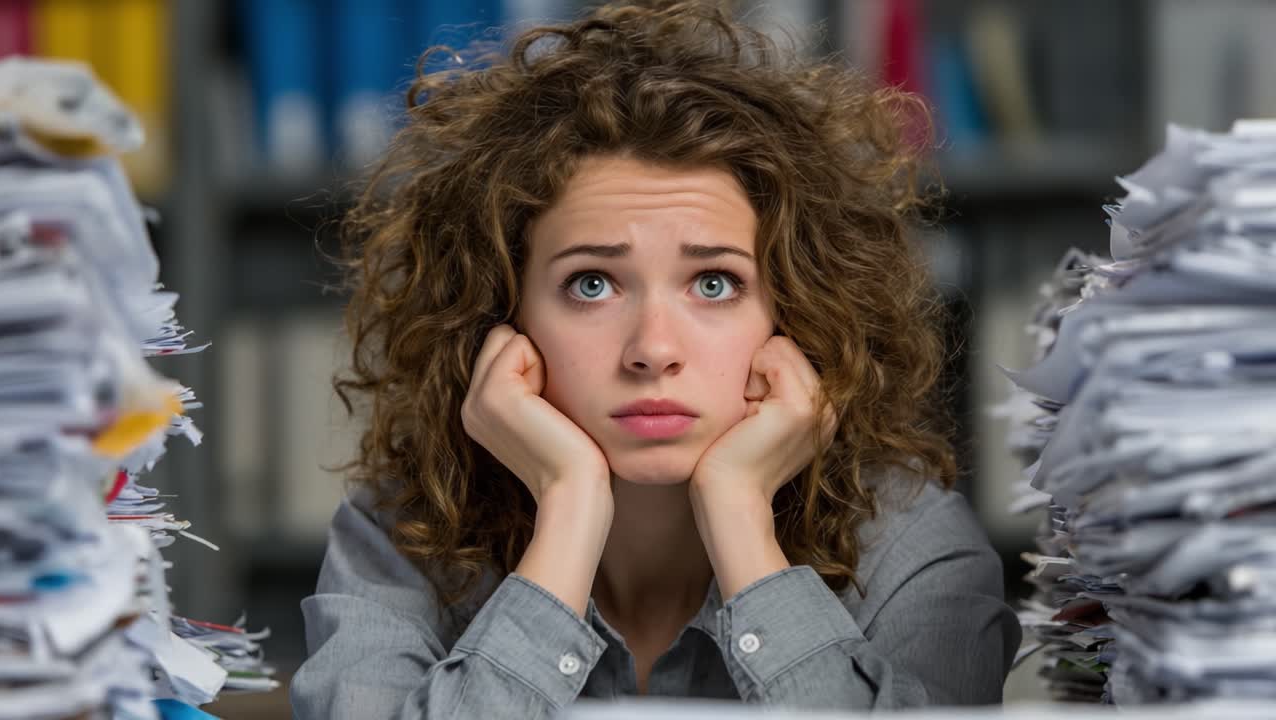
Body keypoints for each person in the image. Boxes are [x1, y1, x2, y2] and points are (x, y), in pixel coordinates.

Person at [290, 1, 1021, 717]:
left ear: (796, 317)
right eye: (592, 284)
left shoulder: (908, 542)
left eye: (714, 284)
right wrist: (568, 508)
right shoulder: (399, 534)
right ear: (501, 319)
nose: (653, 350)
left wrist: (741, 518)